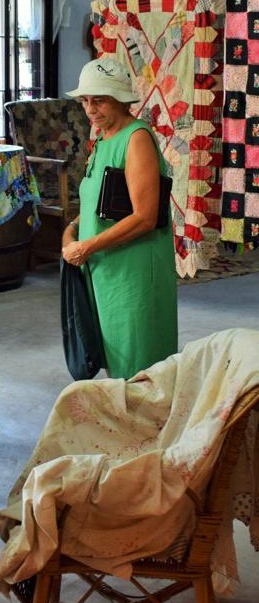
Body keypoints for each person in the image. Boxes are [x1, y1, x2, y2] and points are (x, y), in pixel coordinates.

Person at [61, 58, 177, 379]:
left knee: (141, 364)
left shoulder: (136, 138)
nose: (90, 109)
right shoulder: (103, 140)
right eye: (85, 100)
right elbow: (98, 203)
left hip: (133, 271)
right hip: (106, 268)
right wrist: (72, 231)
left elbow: (144, 217)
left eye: (99, 100)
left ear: (121, 99)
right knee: (117, 355)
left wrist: (87, 247)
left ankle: (150, 428)